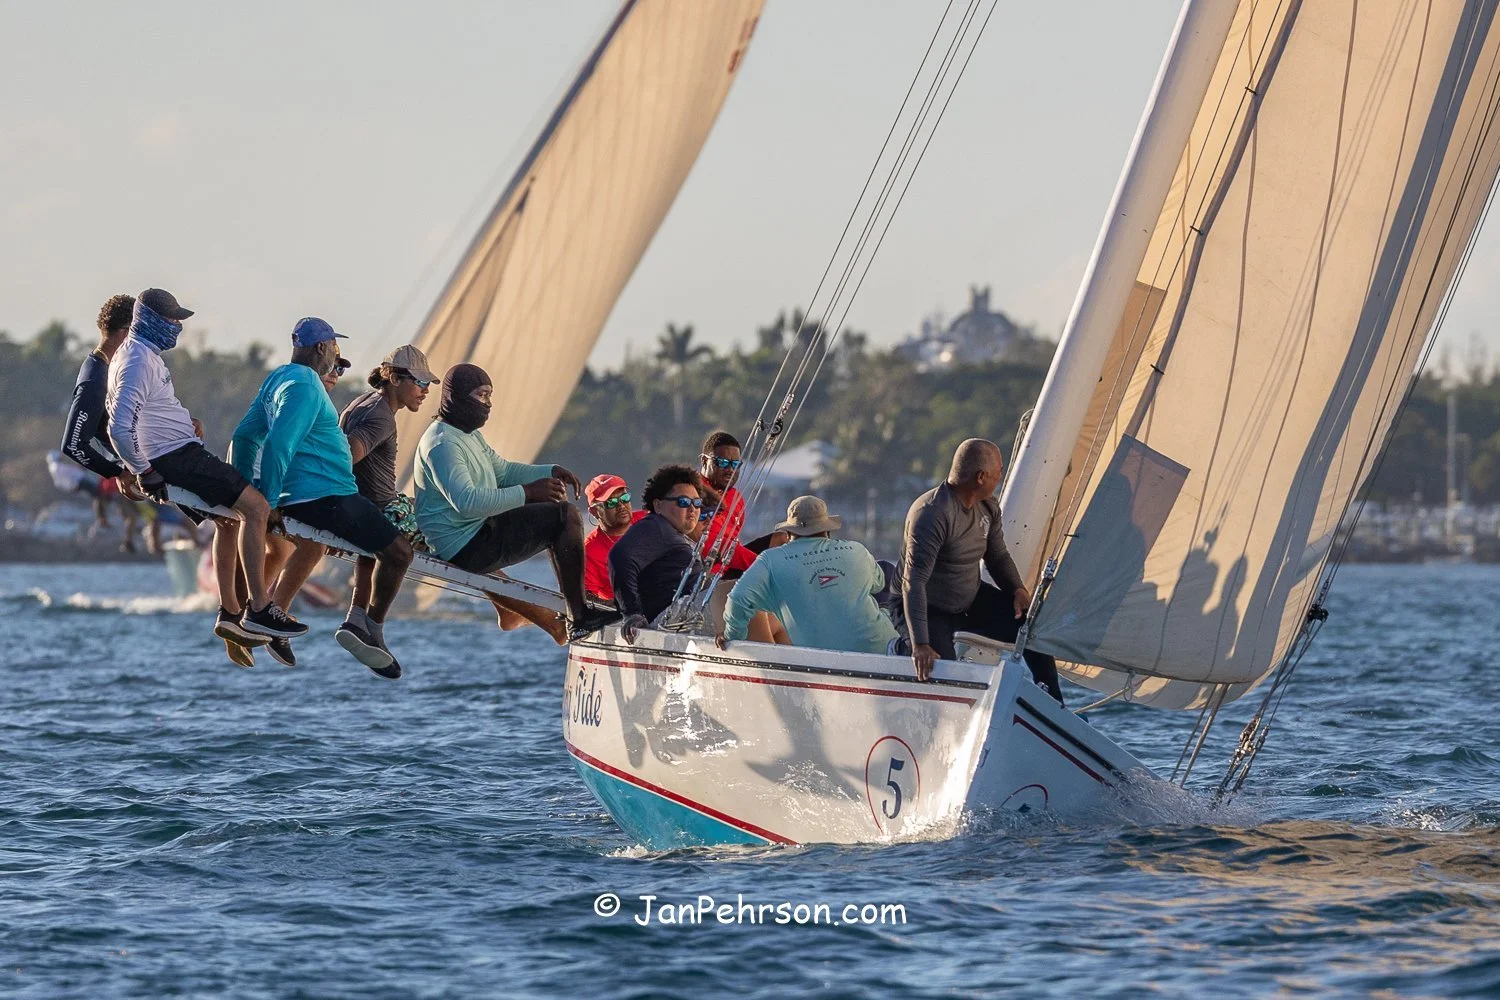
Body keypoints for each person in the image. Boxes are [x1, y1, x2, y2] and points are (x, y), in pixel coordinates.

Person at [106, 288, 306, 644]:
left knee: (228, 521)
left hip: (178, 452)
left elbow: (149, 415)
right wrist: (144, 471)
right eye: (172, 320)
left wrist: (186, 423)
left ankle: (230, 613)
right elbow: (119, 427)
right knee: (257, 508)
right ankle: (259, 608)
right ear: (150, 320)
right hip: (176, 458)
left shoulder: (142, 354)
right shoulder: (137, 360)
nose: (177, 326)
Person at [230, 317, 414, 678]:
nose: (336, 355)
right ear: (321, 348)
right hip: (327, 496)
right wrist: (266, 501)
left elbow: (245, 437)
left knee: (320, 547)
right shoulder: (307, 385)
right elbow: (279, 443)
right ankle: (366, 628)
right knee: (399, 552)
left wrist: (246, 490)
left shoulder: (278, 378)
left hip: (312, 496)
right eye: (335, 348)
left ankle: (276, 619)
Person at [412, 363, 615, 639]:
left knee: (557, 511)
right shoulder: (442, 444)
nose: (488, 404)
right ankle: (580, 616)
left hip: (476, 529)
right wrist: (529, 492)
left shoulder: (467, 435)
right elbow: (467, 502)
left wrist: (550, 471)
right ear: (456, 397)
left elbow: (504, 472)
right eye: (481, 395)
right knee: (564, 516)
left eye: (489, 395)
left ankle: (576, 606)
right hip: (464, 545)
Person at [897, 438, 1063, 702]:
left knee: (1031, 625)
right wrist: (920, 644)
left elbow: (997, 556)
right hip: (928, 607)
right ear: (981, 476)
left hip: (968, 599)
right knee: (942, 670)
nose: (1001, 475)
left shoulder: (988, 506)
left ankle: (1053, 703)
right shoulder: (932, 514)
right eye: (998, 470)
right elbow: (913, 583)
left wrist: (1017, 589)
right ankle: (903, 647)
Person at [338, 344, 436, 644]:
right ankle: (374, 628)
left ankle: (356, 617)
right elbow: (347, 455)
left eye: (427, 383)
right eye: (420, 382)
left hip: (372, 505)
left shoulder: (363, 402)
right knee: (457, 534)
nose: (425, 390)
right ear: (394, 379)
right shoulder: (381, 416)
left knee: (379, 543)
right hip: (383, 510)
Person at [719, 495, 895, 653]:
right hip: (883, 647)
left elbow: (738, 599)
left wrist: (733, 635)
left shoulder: (769, 559)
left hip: (819, 657)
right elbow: (879, 584)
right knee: (885, 569)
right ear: (827, 530)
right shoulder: (856, 549)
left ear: (788, 533)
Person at [608, 464, 702, 640]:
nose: (692, 509)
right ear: (658, 505)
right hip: (670, 622)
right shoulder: (657, 526)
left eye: (697, 503)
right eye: (683, 502)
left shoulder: (671, 533)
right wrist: (632, 613)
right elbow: (619, 557)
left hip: (689, 618)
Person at [697, 430, 756, 573]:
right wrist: (761, 566)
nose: (730, 470)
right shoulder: (692, 492)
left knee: (780, 538)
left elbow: (734, 542)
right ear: (704, 461)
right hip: (705, 572)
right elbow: (710, 542)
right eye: (723, 463)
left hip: (730, 566)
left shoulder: (736, 497)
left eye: (735, 464)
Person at [582, 474, 646, 603]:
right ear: (594, 511)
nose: (621, 505)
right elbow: (587, 599)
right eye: (611, 503)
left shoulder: (649, 520)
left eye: (624, 498)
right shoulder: (589, 551)